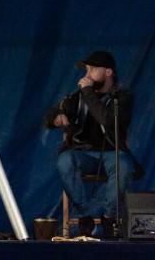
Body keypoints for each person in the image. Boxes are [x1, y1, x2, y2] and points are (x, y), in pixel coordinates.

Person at [43, 50, 140, 238]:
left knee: (125, 166)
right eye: (87, 69)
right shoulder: (77, 97)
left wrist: (87, 92)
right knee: (64, 161)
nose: (87, 75)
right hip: (82, 154)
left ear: (108, 72)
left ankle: (109, 216)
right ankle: (84, 217)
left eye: (93, 69)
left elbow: (107, 119)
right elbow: (50, 115)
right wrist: (57, 117)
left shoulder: (122, 97)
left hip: (112, 153)